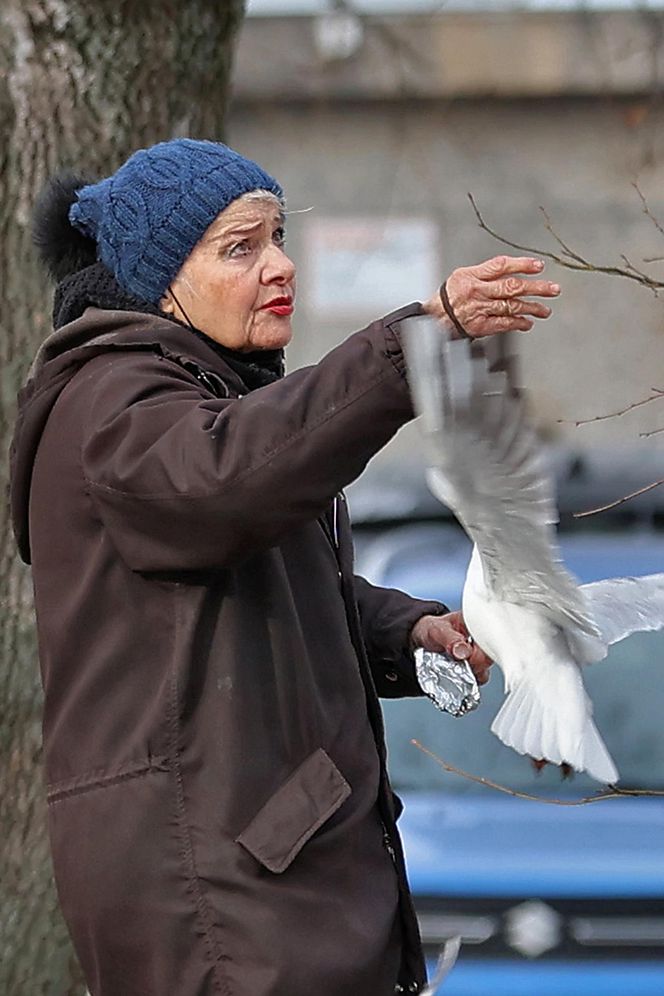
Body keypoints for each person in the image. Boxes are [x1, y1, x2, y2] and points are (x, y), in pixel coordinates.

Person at [10, 138, 560, 996]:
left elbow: (281, 586)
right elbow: (227, 483)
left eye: (277, 238)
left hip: (269, 884)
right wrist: (416, 341)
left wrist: (409, 633)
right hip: (215, 894)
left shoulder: (198, 395)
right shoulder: (109, 400)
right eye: (241, 247)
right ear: (160, 279)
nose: (280, 266)